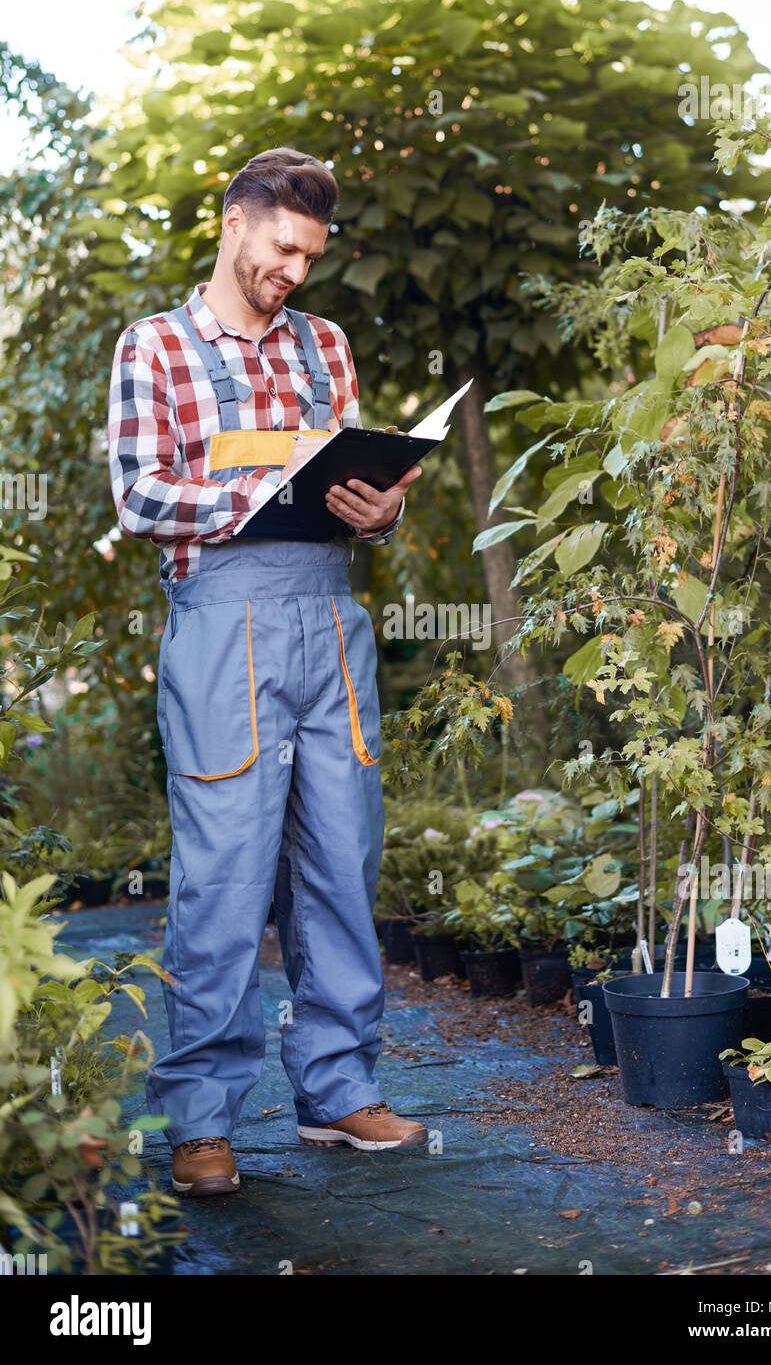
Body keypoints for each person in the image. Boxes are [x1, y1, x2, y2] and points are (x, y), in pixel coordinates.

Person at [107, 147, 427, 1198]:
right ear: (236, 220)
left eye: (310, 256)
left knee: (343, 860)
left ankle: (339, 1089)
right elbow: (141, 498)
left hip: (330, 624)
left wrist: (383, 509)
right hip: (221, 629)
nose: (295, 270)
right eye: (283, 247)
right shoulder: (154, 348)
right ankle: (202, 1117)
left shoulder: (324, 345)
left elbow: (360, 486)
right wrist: (253, 496)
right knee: (224, 879)